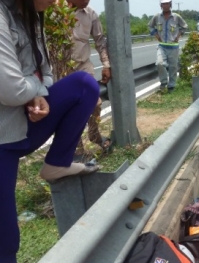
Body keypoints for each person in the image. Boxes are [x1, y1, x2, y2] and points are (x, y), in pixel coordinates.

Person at [0, 0, 100, 261]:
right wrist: (33, 90)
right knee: (5, 240)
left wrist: (38, 94)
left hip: (24, 122)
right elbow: (11, 90)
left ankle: (57, 163)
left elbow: (46, 71)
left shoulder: (31, 15)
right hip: (2, 137)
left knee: (84, 85)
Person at [67, 0, 112, 156]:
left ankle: (93, 133)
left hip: (83, 65)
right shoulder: (54, 10)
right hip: (61, 67)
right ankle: (77, 147)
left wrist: (106, 64)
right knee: (70, 108)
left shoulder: (90, 13)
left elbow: (100, 40)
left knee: (96, 102)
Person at [148, 0, 188, 93]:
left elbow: (185, 26)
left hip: (173, 46)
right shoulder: (157, 17)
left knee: (173, 67)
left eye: (167, 4)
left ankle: (171, 86)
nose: (165, 6)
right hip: (162, 46)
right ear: (160, 6)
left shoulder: (176, 17)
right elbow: (150, 26)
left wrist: (178, 36)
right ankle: (164, 82)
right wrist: (156, 34)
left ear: (170, 5)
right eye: (163, 4)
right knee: (159, 63)